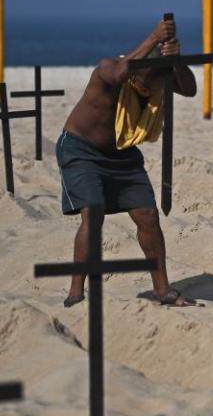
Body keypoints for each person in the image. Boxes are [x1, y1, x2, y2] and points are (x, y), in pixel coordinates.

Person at [56, 18, 196, 307]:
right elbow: (120, 72)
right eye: (146, 83)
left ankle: (162, 289)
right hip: (82, 150)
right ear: (136, 74)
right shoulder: (109, 69)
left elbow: (190, 88)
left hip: (123, 152)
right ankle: (76, 289)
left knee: (147, 215)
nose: (150, 90)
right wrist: (154, 36)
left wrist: (176, 60)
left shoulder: (155, 81)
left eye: (157, 84)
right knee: (93, 213)